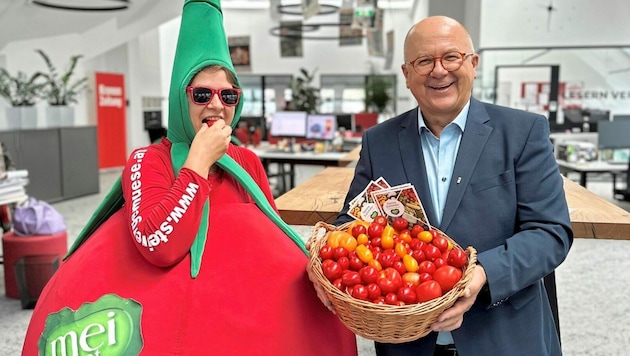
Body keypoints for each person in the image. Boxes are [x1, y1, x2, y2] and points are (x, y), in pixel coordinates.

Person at [21, 1, 358, 355]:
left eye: (228, 95)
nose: (216, 105)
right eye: (202, 94)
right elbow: (158, 244)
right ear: (180, 100)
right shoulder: (147, 161)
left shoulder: (246, 161)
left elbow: (269, 239)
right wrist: (196, 162)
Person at [322, 16, 573, 356]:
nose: (438, 71)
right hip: (408, 342)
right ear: (407, 75)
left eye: (451, 57)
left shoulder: (522, 133)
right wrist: (322, 262)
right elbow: (352, 223)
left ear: (473, 64)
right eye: (424, 61)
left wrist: (483, 274)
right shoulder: (379, 141)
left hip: (503, 337)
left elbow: (550, 232)